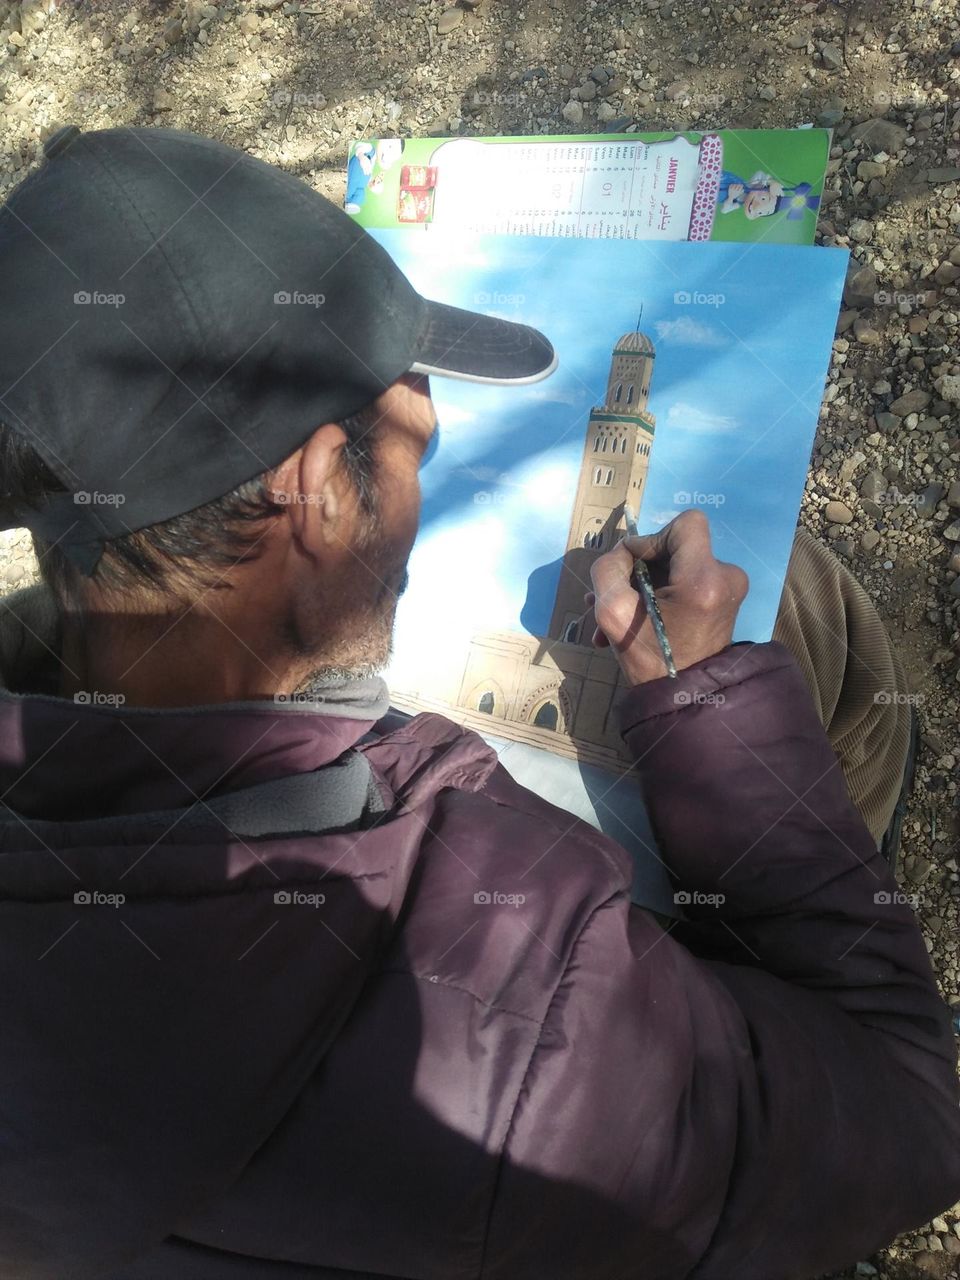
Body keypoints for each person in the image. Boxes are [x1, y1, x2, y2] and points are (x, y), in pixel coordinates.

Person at [0, 125, 956, 1280]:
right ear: (316, 491)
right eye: (420, 444)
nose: (425, 495)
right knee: (817, 618)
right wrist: (715, 709)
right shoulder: (532, 1018)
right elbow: (906, 1107)